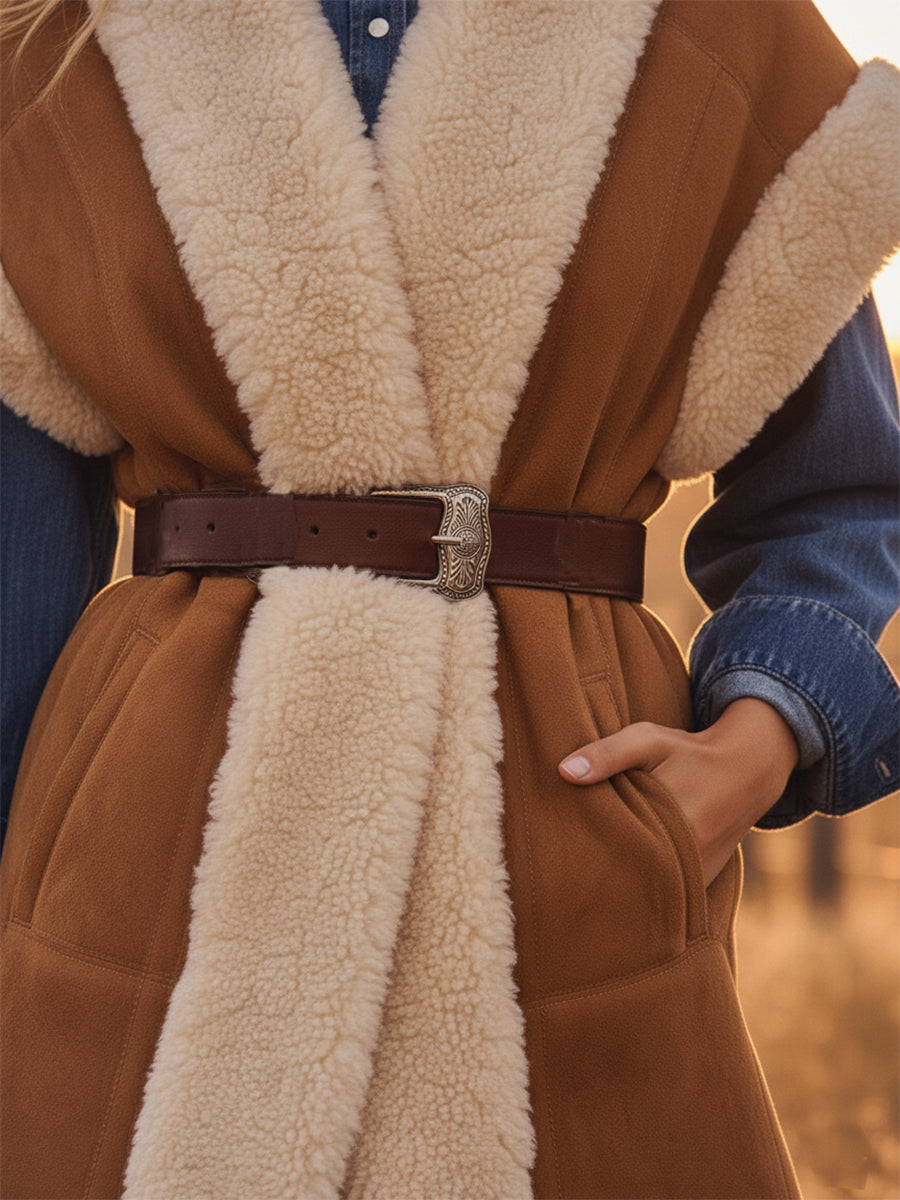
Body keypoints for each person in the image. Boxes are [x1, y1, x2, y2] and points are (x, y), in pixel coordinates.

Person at [0, 2, 897, 1198]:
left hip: (568, 812)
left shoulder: (708, 31)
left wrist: (759, 737)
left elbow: (836, 491)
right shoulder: (55, 57)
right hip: (150, 842)